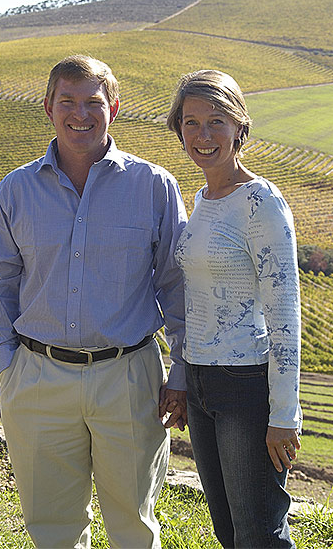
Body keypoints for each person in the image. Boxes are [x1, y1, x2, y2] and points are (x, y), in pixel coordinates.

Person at [0, 54, 187, 549]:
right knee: (52, 530)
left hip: (129, 379)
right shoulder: (16, 189)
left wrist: (179, 372)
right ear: (48, 106)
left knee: (133, 527)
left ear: (114, 106)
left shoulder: (154, 186)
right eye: (67, 101)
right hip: (37, 378)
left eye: (93, 101)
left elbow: (177, 284)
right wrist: (9, 366)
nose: (80, 114)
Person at [165, 69, 302, 548]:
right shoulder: (202, 198)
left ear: (240, 126)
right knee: (228, 530)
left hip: (246, 383)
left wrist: (285, 412)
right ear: (178, 129)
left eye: (216, 121)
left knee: (259, 533)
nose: (203, 135)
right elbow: (194, 301)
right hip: (202, 381)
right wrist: (182, 378)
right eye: (191, 122)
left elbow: (284, 310)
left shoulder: (260, 201)